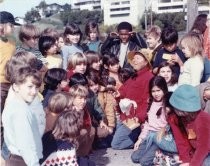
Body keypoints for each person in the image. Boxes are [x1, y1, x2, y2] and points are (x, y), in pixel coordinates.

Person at [111, 49, 153, 150]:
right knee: (114, 140)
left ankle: (142, 139)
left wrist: (139, 118)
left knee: (115, 144)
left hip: (134, 118)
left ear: (146, 61)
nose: (134, 60)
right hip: (125, 115)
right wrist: (118, 94)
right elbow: (123, 90)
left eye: (138, 58)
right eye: (133, 58)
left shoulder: (150, 78)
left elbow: (147, 102)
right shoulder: (134, 76)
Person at [2, 66, 43, 166]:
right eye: (29, 87)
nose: (34, 92)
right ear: (16, 87)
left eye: (36, 87)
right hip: (22, 160)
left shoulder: (15, 104)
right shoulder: (21, 112)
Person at [131, 76, 169, 165]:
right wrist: (140, 139)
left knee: (144, 162)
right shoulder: (151, 102)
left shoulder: (167, 105)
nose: (156, 94)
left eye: (158, 90)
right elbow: (147, 124)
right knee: (135, 158)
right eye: (153, 91)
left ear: (164, 89)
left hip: (161, 137)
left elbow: (171, 124)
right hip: (149, 136)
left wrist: (163, 132)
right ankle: (151, 151)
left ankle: (165, 153)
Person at [169, 84, 210, 166]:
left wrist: (192, 164)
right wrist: (186, 160)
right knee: (158, 139)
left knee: (205, 163)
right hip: (193, 148)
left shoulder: (203, 119)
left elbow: (203, 147)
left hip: (206, 150)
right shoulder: (175, 117)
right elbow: (180, 140)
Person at [0, 11, 20, 113]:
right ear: (1, 25)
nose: (13, 28)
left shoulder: (12, 43)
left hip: (10, 83)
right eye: (11, 25)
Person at [68, 85, 95, 157]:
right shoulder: (67, 110)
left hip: (79, 137)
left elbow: (88, 124)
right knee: (84, 132)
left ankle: (82, 155)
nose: (83, 101)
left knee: (91, 130)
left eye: (85, 98)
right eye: (80, 98)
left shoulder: (84, 109)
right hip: (68, 139)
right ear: (72, 98)